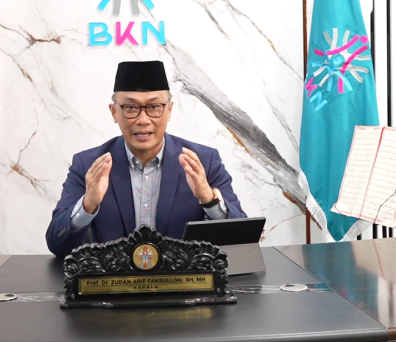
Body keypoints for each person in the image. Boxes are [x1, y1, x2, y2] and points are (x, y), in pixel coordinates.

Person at [46, 60, 246, 258]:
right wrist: (88, 205)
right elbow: (57, 244)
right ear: (114, 112)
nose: (143, 120)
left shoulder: (204, 161)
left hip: (184, 278)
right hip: (113, 279)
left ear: (169, 110)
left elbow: (243, 239)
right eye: (130, 108)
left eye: (154, 107)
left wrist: (209, 200)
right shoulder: (88, 165)